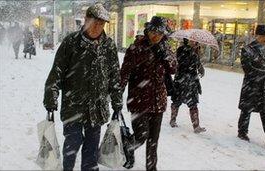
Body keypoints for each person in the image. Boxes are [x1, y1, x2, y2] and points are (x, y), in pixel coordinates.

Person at [43, 4, 122, 170]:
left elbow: (114, 77)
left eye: (101, 24)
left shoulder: (108, 46)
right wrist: (51, 97)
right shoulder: (71, 42)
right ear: (86, 20)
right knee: (72, 143)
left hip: (97, 108)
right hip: (74, 106)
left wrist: (117, 102)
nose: (97, 27)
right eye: (94, 22)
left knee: (91, 150)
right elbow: (56, 72)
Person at [120, 16, 177, 171]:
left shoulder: (166, 48)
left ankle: (151, 168)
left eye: (159, 33)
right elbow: (124, 73)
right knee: (141, 136)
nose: (155, 36)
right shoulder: (136, 48)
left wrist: (164, 54)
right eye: (153, 31)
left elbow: (173, 69)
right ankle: (128, 146)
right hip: (139, 101)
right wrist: (118, 93)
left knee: (153, 141)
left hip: (158, 102)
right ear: (148, 30)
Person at [170, 38, 206, 133]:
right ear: (187, 41)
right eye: (192, 41)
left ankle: (196, 126)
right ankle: (173, 120)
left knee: (193, 103)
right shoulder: (181, 50)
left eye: (195, 41)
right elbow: (182, 64)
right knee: (176, 102)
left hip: (192, 82)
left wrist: (200, 67)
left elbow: (196, 64)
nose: (194, 42)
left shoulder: (194, 51)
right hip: (182, 81)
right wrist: (193, 54)